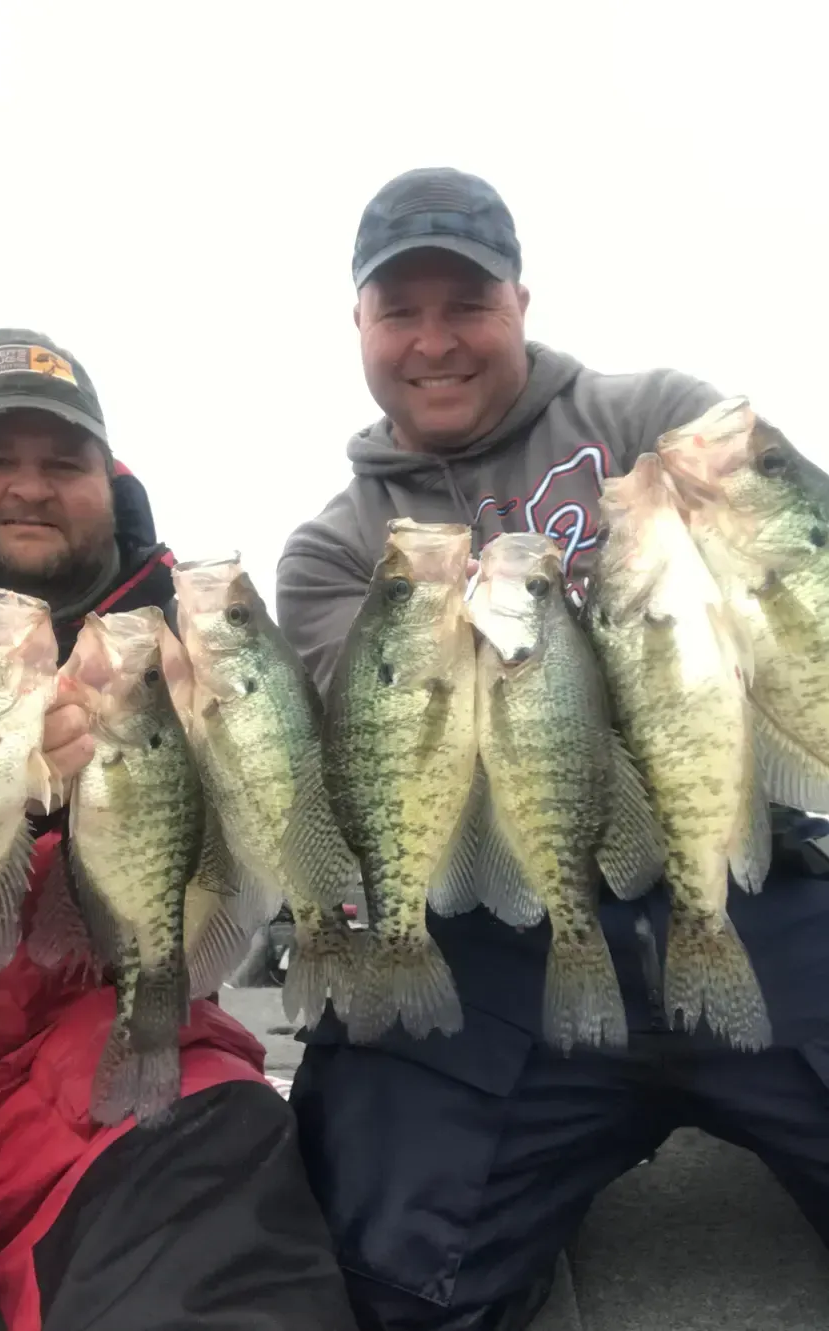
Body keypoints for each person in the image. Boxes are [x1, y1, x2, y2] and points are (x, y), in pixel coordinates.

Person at [276, 168, 829, 1331]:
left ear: (519, 302)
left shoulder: (650, 420)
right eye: (400, 309)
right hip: (497, 942)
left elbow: (793, 587)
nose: (435, 340)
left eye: (466, 302)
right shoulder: (331, 553)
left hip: (742, 882)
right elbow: (385, 764)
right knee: (391, 1274)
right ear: (359, 326)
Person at [0, 328, 360, 1331]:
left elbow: (270, 807)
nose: (31, 487)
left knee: (226, 1277)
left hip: (91, 1057)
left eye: (64, 462)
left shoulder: (178, 627)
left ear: (108, 478)